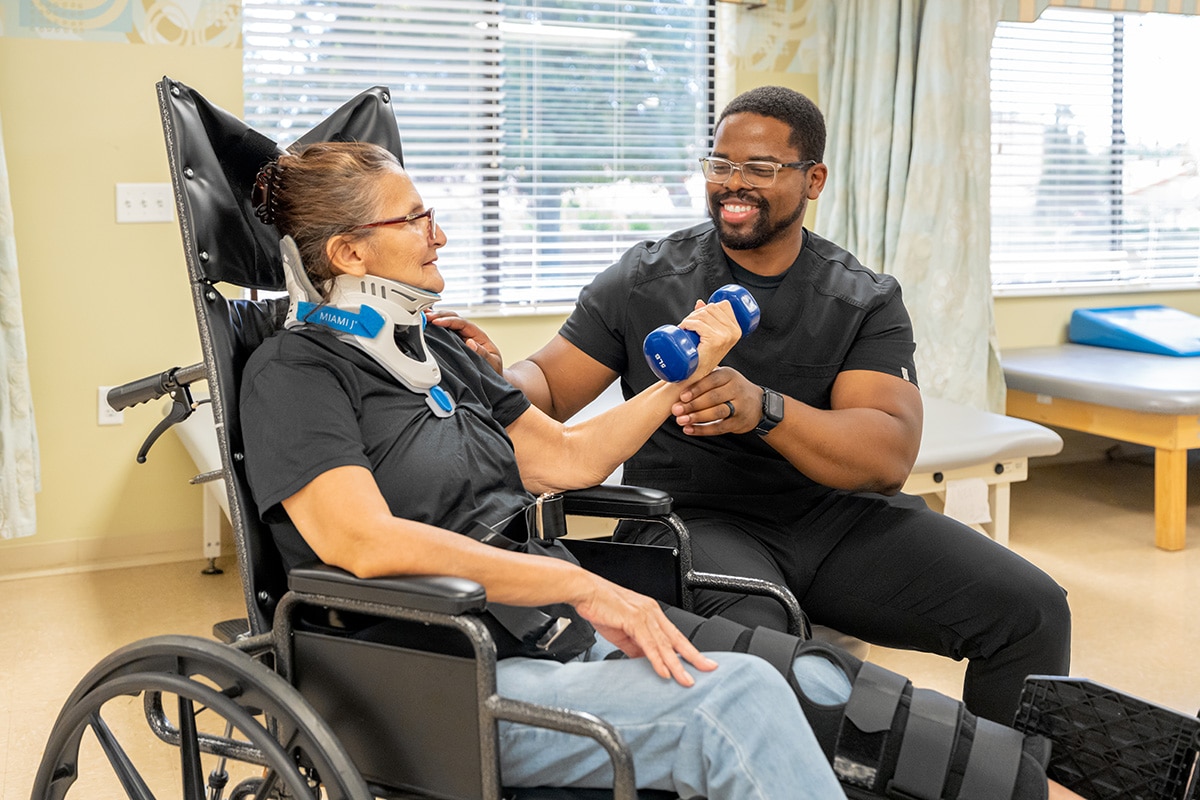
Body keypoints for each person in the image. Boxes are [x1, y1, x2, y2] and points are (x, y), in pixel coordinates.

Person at [238, 141, 1089, 800]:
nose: (441, 234)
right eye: (415, 220)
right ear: (348, 254)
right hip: (438, 672)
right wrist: (581, 588)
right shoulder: (295, 373)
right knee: (738, 703)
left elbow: (567, 457)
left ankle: (1046, 787)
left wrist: (686, 370)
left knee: (819, 683)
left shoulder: (438, 356)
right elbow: (363, 540)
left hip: (542, 636)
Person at [431, 84, 1072, 727]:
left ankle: (1009, 778)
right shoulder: (645, 279)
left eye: (761, 168)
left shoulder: (861, 299)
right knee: (769, 656)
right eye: (721, 164)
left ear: (813, 179)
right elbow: (548, 382)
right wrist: (494, 377)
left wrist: (763, 408)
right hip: (692, 520)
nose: (734, 184)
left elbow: (885, 455)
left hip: (833, 518)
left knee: (1031, 611)